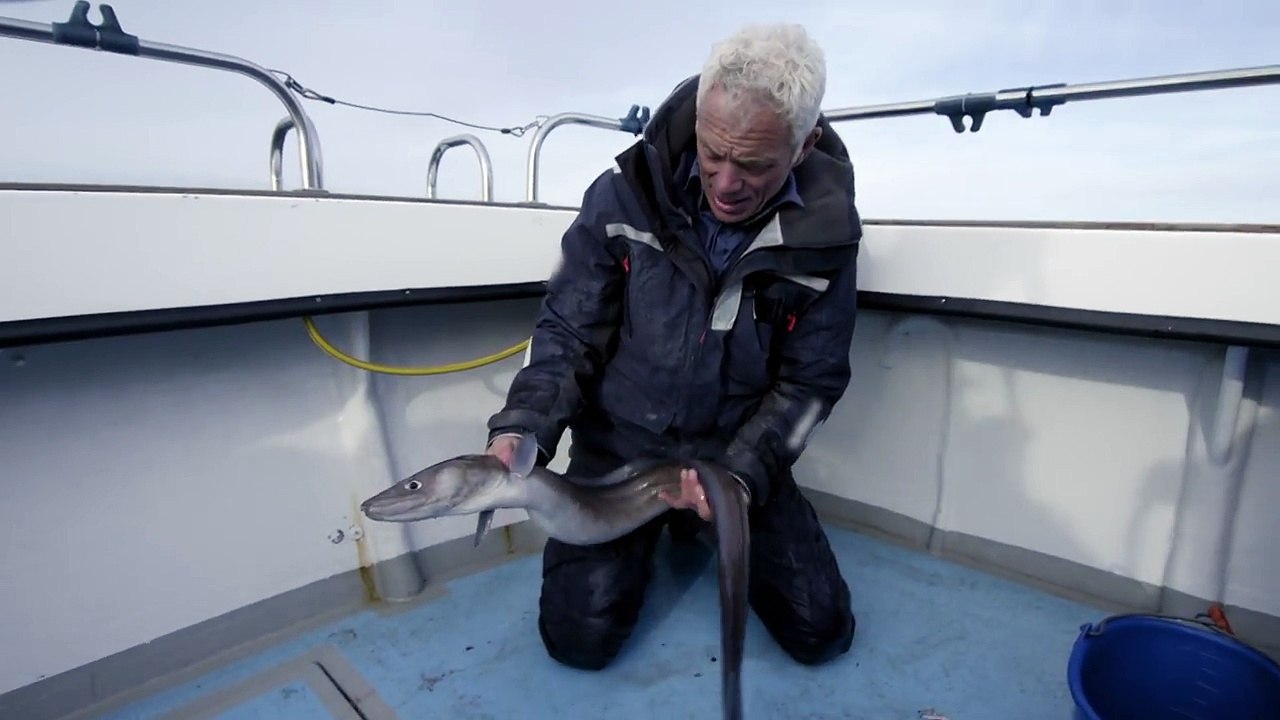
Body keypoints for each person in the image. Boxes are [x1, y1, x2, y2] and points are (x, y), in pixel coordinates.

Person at [485, 22, 862, 671]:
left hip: (735, 454)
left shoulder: (828, 239)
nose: (725, 182)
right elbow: (569, 328)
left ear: (804, 147)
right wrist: (524, 428)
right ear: (698, 122)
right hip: (622, 449)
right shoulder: (622, 195)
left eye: (754, 164)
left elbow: (812, 383)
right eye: (713, 152)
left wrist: (743, 476)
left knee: (821, 631)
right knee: (578, 641)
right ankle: (669, 526)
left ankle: (700, 517)